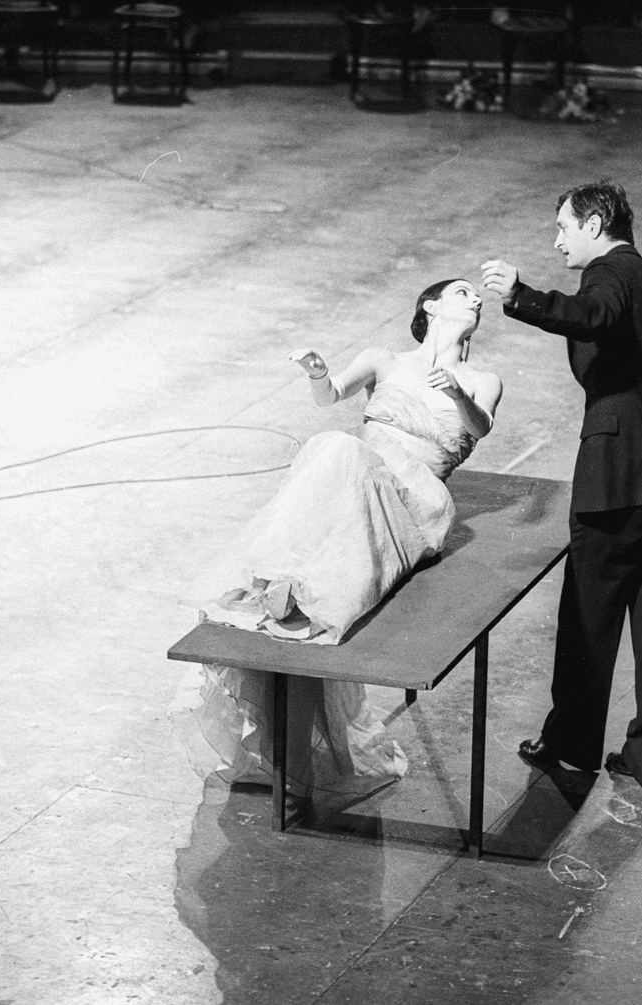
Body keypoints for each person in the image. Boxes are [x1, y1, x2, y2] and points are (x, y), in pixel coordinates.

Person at [184, 279, 504, 795]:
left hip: (416, 496)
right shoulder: (384, 359)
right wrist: (317, 373)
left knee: (338, 450)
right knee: (335, 446)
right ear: (430, 305)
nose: (476, 299)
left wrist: (456, 394)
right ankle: (288, 580)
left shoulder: (481, 379)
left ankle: (285, 577)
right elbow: (330, 395)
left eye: (477, 296)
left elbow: (481, 426)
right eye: (463, 291)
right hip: (358, 476)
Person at [481, 180, 642, 792]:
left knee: (588, 617)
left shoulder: (609, 277)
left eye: (563, 229)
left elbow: (595, 313)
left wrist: (522, 296)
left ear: (597, 223)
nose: (557, 243)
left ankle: (574, 746)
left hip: (616, 479)